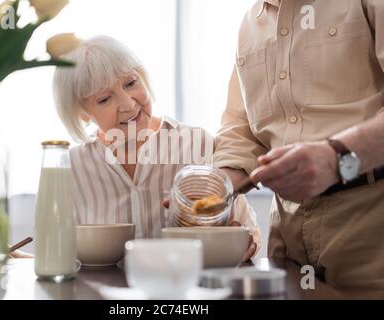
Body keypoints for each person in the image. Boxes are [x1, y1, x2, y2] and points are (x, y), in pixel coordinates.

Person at [213, 0, 384, 294]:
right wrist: (215, 195)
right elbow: (241, 129)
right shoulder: (249, 24)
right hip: (286, 240)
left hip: (371, 229)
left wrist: (335, 160)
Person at [53, 35, 260, 261]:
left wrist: (239, 244)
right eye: (104, 99)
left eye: (131, 83)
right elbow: (59, 255)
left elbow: (249, 234)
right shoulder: (72, 168)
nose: (129, 103)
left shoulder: (198, 144)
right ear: (83, 114)